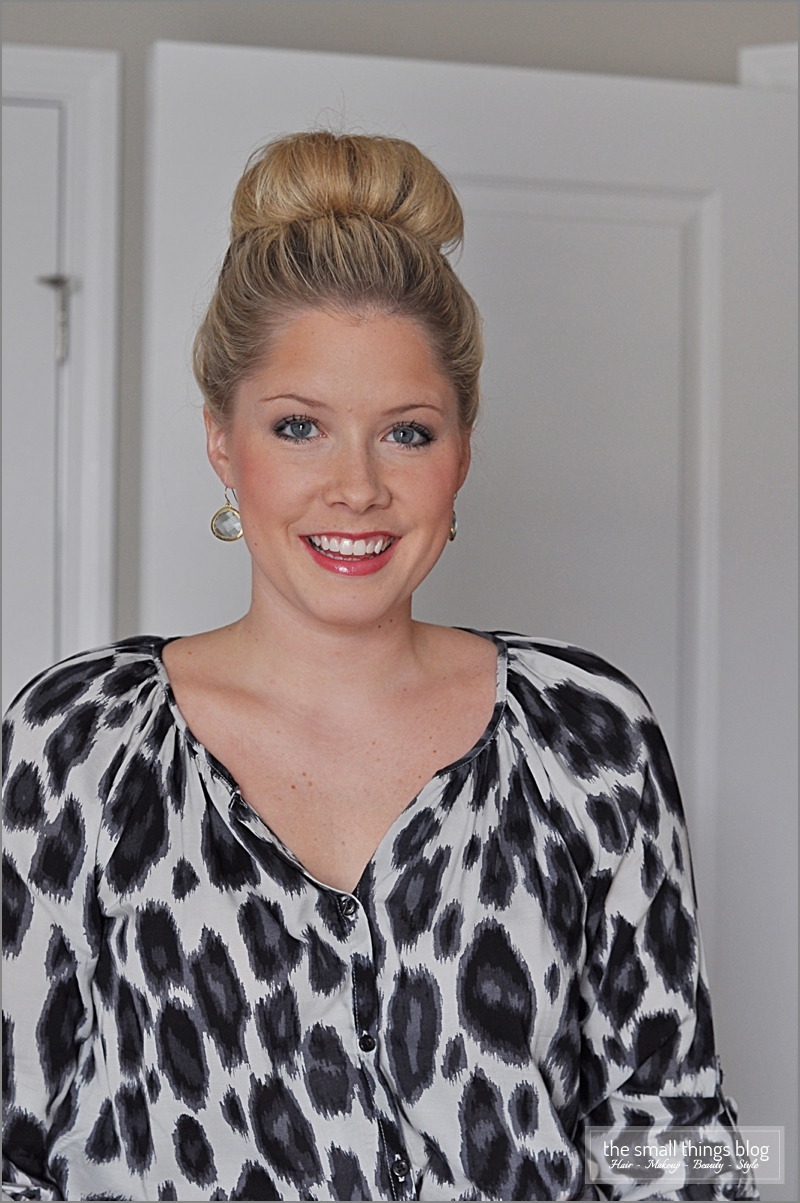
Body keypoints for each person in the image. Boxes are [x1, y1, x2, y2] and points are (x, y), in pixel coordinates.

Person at [2, 131, 755, 1202]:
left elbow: (678, 1135)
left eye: (406, 433)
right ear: (221, 441)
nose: (355, 487)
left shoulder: (586, 734)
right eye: (299, 426)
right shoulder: (79, 742)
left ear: (462, 449)